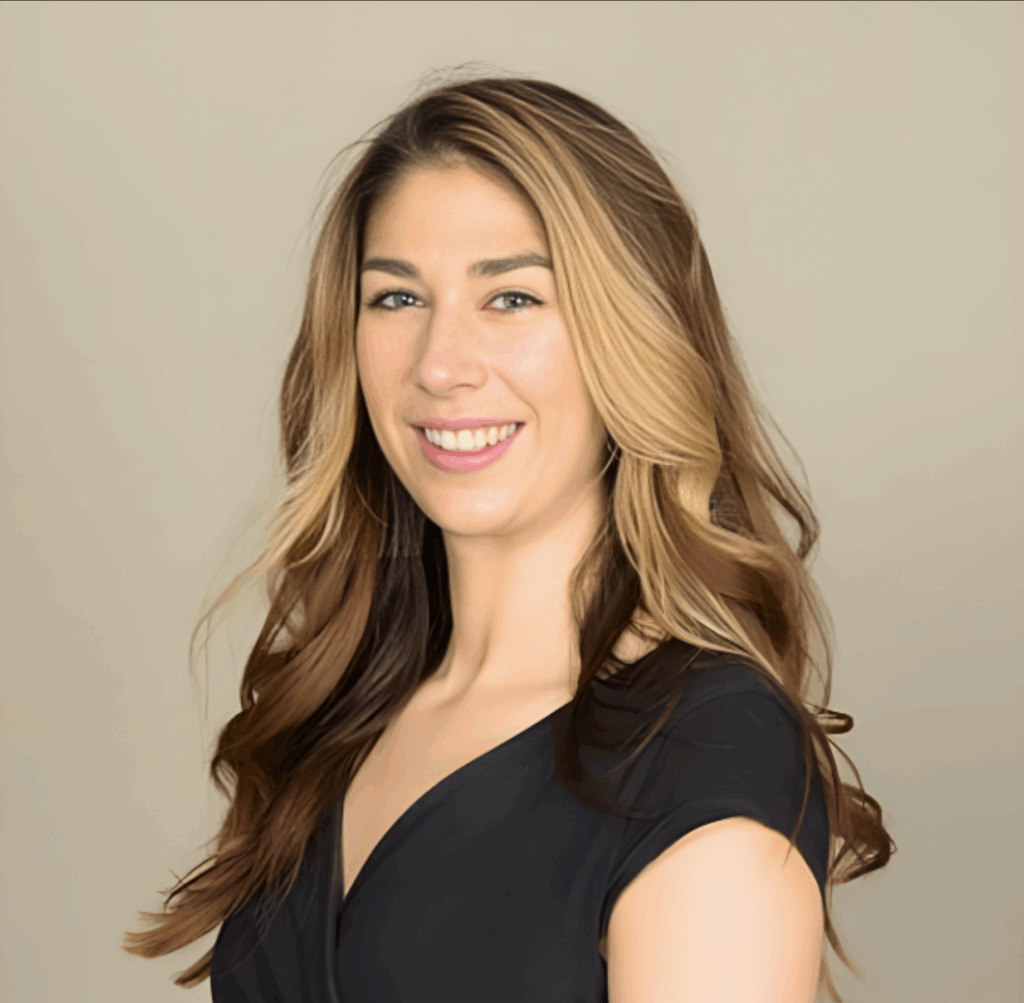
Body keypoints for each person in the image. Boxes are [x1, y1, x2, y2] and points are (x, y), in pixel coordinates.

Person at [124, 75, 893, 1002]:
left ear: (635, 335)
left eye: (514, 299)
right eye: (396, 299)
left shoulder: (702, 757)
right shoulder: (338, 714)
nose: (442, 365)